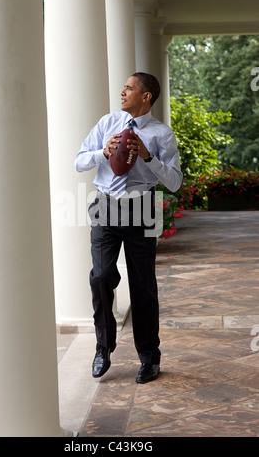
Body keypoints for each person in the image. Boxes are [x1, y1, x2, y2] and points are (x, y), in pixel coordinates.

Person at [75, 72, 182, 383]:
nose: (122, 92)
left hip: (142, 209)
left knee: (143, 286)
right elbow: (79, 161)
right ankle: (102, 347)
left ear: (146, 96)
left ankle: (149, 357)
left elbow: (174, 183)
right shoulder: (107, 123)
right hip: (105, 206)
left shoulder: (162, 134)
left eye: (129, 88)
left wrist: (148, 157)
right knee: (102, 276)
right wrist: (103, 153)